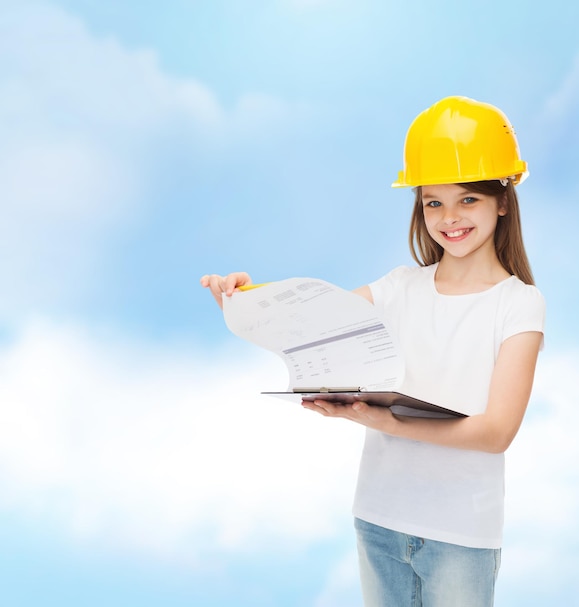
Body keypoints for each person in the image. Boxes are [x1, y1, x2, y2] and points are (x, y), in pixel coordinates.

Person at [201, 96, 545, 607]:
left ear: (502, 198)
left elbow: (496, 433)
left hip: (461, 534)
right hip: (379, 519)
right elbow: (314, 318)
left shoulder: (519, 304)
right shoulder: (399, 288)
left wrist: (388, 424)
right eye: (433, 202)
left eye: (467, 199)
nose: (449, 217)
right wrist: (247, 294)